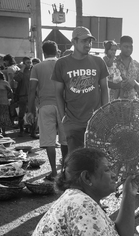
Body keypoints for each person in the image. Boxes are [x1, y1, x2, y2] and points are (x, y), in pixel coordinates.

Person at [52, 26, 109, 154]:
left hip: (96, 121)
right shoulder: (62, 64)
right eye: (84, 41)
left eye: (90, 41)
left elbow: (105, 88)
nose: (88, 44)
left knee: (96, 159)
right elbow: (58, 93)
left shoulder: (98, 61)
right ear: (74, 42)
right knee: (77, 160)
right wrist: (63, 119)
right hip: (73, 122)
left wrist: (106, 114)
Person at [28, 41, 68, 180]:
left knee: (49, 141)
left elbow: (32, 90)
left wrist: (30, 110)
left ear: (43, 52)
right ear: (57, 51)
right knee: (65, 140)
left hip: (45, 106)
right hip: (64, 106)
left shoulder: (37, 67)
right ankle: (65, 171)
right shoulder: (64, 65)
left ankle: (53, 172)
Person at [13, 57, 32, 136]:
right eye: (27, 63)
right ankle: (21, 130)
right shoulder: (19, 72)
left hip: (31, 96)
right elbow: (17, 79)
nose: (29, 64)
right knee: (21, 114)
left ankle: (30, 130)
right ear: (24, 63)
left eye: (30, 62)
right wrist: (22, 69)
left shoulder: (33, 71)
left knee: (31, 114)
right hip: (22, 96)